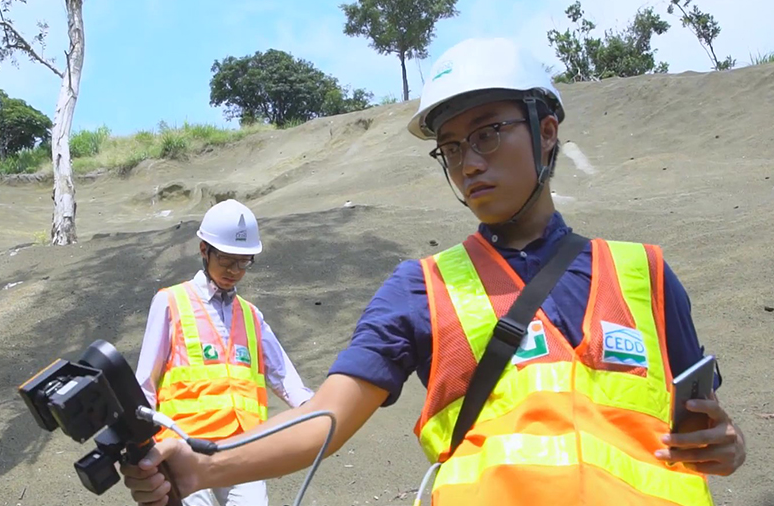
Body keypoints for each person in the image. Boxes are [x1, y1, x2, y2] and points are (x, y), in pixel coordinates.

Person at [121, 38, 747, 506]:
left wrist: (728, 445)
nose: (467, 163)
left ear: (547, 132)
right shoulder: (422, 287)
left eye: (488, 134)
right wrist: (203, 464)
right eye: (449, 148)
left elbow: (702, 427)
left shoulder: (646, 273)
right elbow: (329, 415)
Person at [133, 198, 315, 506]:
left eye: (244, 262)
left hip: (243, 450)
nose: (234, 270)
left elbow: (287, 380)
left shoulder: (252, 316)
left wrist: (322, 414)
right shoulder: (170, 302)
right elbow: (145, 385)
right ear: (204, 250)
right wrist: (139, 443)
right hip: (186, 446)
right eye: (227, 260)